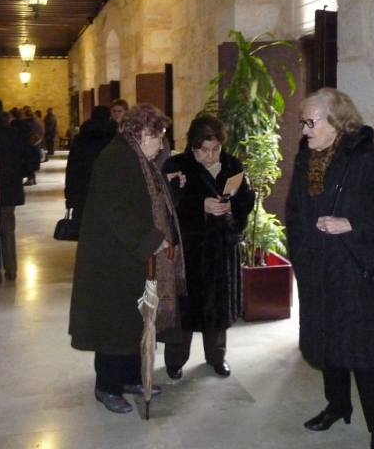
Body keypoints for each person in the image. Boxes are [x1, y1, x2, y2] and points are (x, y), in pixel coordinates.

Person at [285, 88, 374, 449]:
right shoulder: (304, 159)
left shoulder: (367, 160)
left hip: (356, 274)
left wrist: (351, 223)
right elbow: (294, 211)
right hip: (317, 272)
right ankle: (337, 406)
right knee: (328, 347)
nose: (305, 130)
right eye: (303, 123)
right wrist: (301, 255)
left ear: (336, 121)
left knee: (365, 355)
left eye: (311, 122)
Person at [69, 104, 186, 414]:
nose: (161, 145)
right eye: (157, 137)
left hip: (129, 257)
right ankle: (106, 387)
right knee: (113, 326)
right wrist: (150, 240)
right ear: (141, 133)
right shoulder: (117, 158)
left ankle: (131, 378)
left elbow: (145, 201)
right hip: (112, 260)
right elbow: (114, 211)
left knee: (134, 322)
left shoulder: (134, 157)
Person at [162, 115, 254, 379]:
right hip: (189, 251)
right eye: (204, 150)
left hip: (221, 249)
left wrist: (231, 207)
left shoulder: (232, 164)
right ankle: (175, 360)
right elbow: (165, 205)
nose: (211, 156)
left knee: (218, 305)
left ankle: (217, 357)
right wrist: (200, 204)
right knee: (185, 309)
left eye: (216, 149)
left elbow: (246, 199)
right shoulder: (177, 165)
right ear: (193, 145)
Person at [0, 96, 35, 282]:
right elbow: (30, 155)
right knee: (8, 229)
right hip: (9, 187)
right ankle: (11, 269)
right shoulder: (12, 132)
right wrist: (22, 174)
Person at [64, 105, 117, 230]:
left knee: (85, 229)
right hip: (110, 190)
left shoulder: (81, 138)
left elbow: (72, 167)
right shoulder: (115, 138)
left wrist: (70, 197)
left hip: (84, 189)